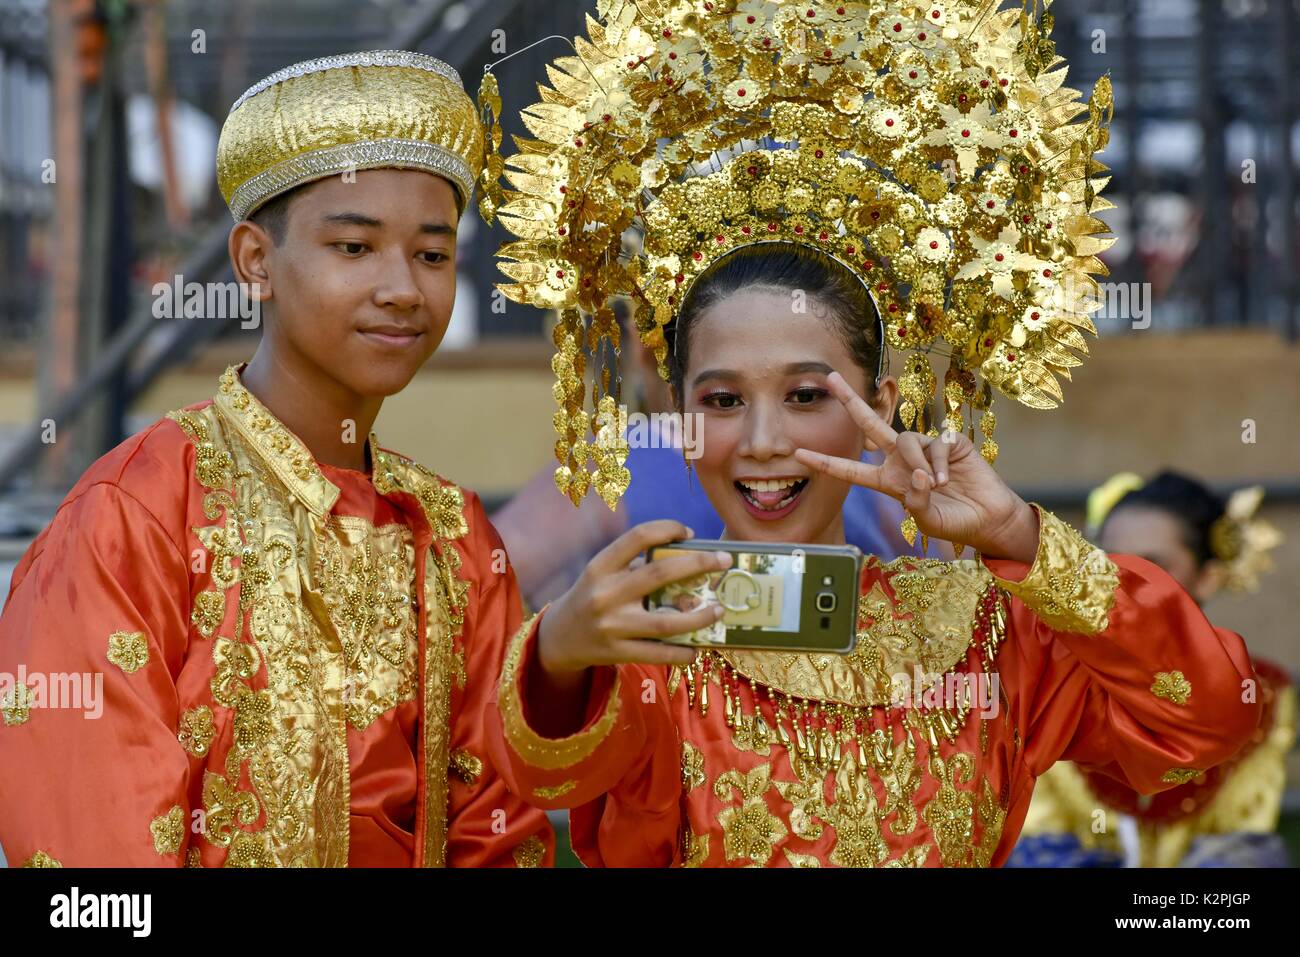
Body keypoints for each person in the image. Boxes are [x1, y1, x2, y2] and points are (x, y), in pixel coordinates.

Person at [476, 0, 1262, 867]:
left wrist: (1021, 538)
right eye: (724, 399)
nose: (765, 439)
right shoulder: (649, 630)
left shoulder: (983, 631)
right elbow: (530, 772)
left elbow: (1210, 718)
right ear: (681, 417)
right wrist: (556, 654)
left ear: (881, 403)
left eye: (808, 394)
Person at [0, 51, 551, 868]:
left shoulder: (456, 537)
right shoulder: (134, 516)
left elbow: (497, 829)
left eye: (432, 255)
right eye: (356, 248)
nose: (403, 287)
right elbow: (95, 856)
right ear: (256, 261)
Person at [1017, 471, 1293, 868]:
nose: (1122, 581)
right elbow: (1038, 843)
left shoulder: (1260, 692)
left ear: (1208, 577)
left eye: (1152, 565)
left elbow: (1241, 842)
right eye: (1107, 562)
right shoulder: (1048, 683)